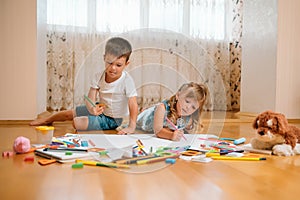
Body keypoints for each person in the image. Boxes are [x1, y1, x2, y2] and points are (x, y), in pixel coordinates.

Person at [30, 37, 138, 134]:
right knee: (69, 113)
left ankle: (90, 119)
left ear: (126, 64)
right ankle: (47, 120)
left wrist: (131, 127)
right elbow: (90, 98)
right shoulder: (98, 76)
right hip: (99, 109)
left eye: (118, 65)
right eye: (110, 62)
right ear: (104, 58)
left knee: (76, 122)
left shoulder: (127, 81)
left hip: (112, 119)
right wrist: (92, 109)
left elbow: (133, 105)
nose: (113, 68)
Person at [136, 82, 208, 141]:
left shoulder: (188, 119)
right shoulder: (162, 108)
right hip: (143, 121)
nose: (188, 107)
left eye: (193, 107)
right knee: (148, 113)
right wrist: (171, 135)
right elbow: (158, 131)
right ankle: (145, 110)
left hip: (159, 124)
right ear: (178, 95)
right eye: (187, 101)